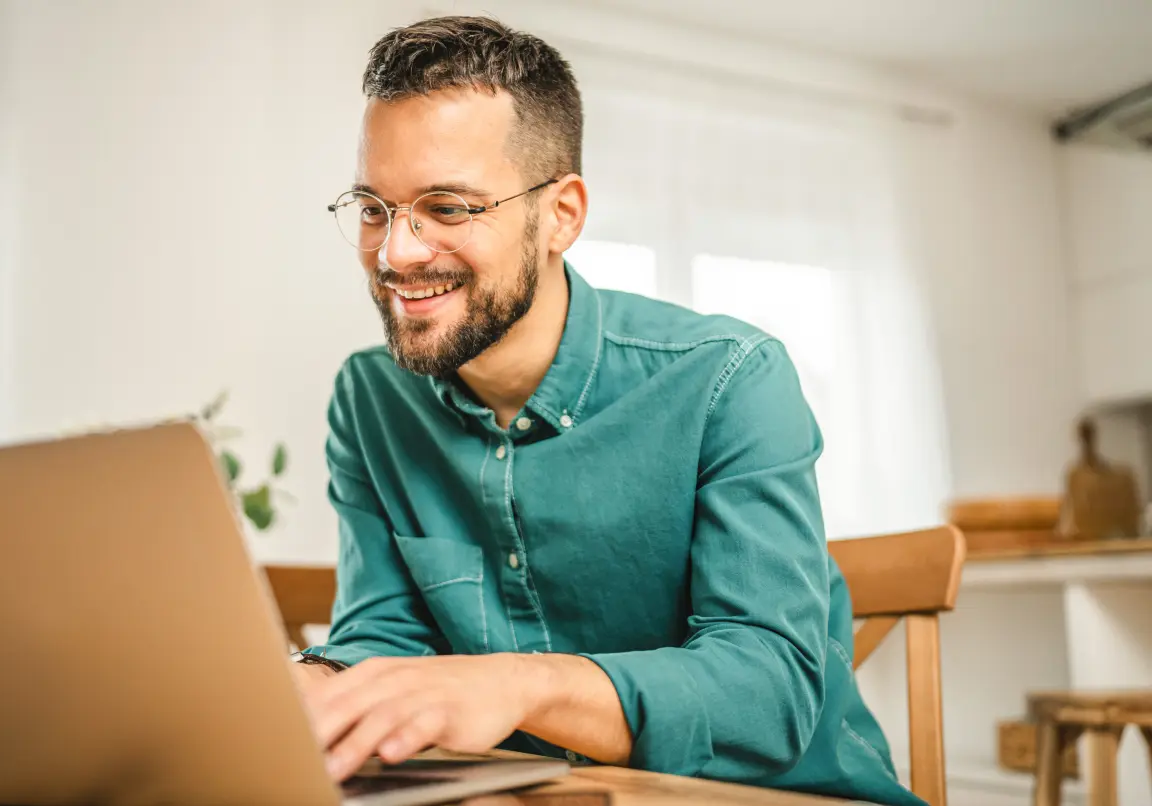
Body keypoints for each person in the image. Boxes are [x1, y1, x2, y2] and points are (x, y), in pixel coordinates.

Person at [291, 15, 923, 806]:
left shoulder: (730, 379)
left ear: (561, 215)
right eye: (374, 207)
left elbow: (770, 695)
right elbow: (385, 634)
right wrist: (311, 680)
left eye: (446, 207)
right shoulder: (372, 398)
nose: (395, 253)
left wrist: (519, 687)